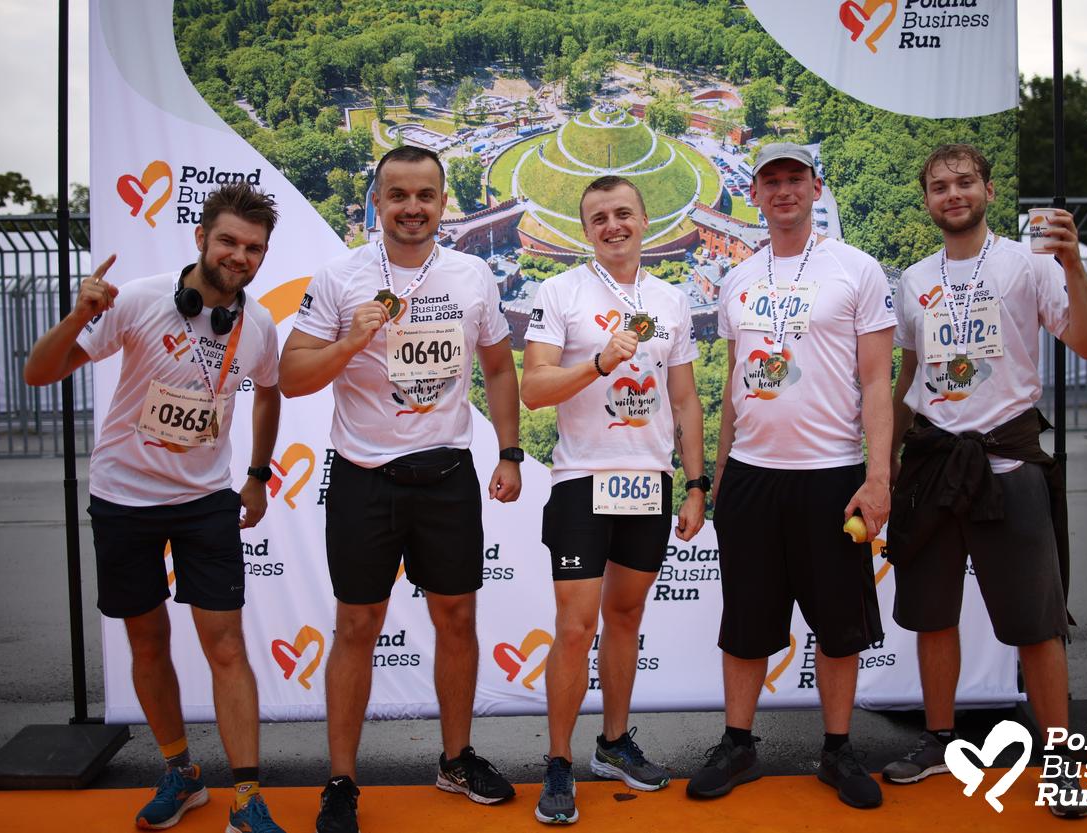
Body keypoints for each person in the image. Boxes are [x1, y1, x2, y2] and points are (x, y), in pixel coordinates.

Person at [23, 183, 286, 832]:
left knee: (227, 645)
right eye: (228, 241)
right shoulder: (139, 299)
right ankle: (181, 773)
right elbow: (39, 373)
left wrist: (257, 474)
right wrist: (78, 316)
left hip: (205, 501)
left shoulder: (256, 325)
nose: (239, 256)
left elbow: (268, 392)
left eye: (253, 248)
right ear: (200, 239)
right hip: (124, 499)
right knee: (147, 640)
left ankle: (246, 797)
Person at [279, 146, 522, 833]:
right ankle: (341, 781)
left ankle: (455, 759)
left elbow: (499, 370)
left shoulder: (471, 275)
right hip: (365, 477)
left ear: (443, 203)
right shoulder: (341, 276)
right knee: (357, 626)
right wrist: (349, 342)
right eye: (398, 195)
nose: (412, 208)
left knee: (457, 620)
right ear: (378, 203)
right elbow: (291, 377)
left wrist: (509, 451)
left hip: (447, 475)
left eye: (425, 195)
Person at [884, 144, 1087, 819]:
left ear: (988, 189)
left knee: (1037, 625)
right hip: (931, 463)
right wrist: (885, 461)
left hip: (1007, 460)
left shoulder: (1029, 263)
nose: (952, 194)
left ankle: (1060, 759)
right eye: (939, 186)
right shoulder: (913, 279)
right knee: (932, 615)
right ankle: (938, 738)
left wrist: (1073, 265)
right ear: (927, 200)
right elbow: (910, 373)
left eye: (964, 182)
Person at [687, 143, 896, 810]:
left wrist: (879, 476)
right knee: (746, 621)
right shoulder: (738, 279)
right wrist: (720, 470)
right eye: (771, 181)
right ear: (754, 193)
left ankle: (837, 748)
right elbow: (733, 383)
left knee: (838, 625)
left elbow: (877, 382)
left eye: (794, 179)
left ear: (815, 187)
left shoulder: (856, 269)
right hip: (752, 476)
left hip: (832, 474)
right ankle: (738, 743)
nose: (783, 190)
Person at [521, 175, 707, 824]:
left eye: (623, 213)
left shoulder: (671, 300)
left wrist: (696, 484)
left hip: (649, 482)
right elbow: (534, 388)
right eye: (598, 218)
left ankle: (614, 742)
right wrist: (598, 364)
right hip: (582, 481)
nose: (613, 225)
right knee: (576, 627)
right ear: (586, 231)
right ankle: (558, 760)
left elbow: (685, 399)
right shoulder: (560, 292)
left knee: (625, 617)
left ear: (645, 219)